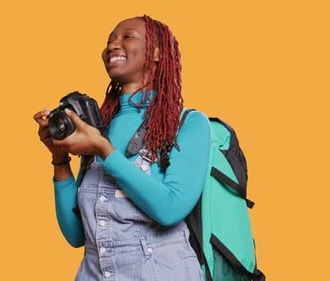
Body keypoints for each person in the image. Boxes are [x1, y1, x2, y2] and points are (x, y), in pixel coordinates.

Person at [33, 15, 211, 280]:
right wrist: (59, 159)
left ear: (156, 53)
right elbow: (77, 235)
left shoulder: (188, 124)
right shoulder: (98, 126)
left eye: (127, 37)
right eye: (109, 41)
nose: (113, 46)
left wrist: (104, 150)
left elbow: (170, 209)